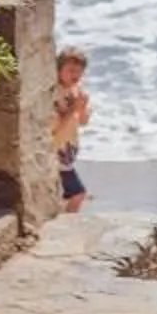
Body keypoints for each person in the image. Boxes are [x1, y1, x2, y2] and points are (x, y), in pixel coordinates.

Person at [53, 48, 92, 211]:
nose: (75, 76)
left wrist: (82, 108)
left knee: (69, 196)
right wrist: (73, 109)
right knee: (78, 193)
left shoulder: (76, 91)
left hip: (68, 153)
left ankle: (64, 219)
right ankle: (66, 224)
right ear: (59, 70)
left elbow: (83, 121)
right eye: (70, 71)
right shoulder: (54, 93)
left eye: (79, 72)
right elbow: (54, 131)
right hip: (56, 153)